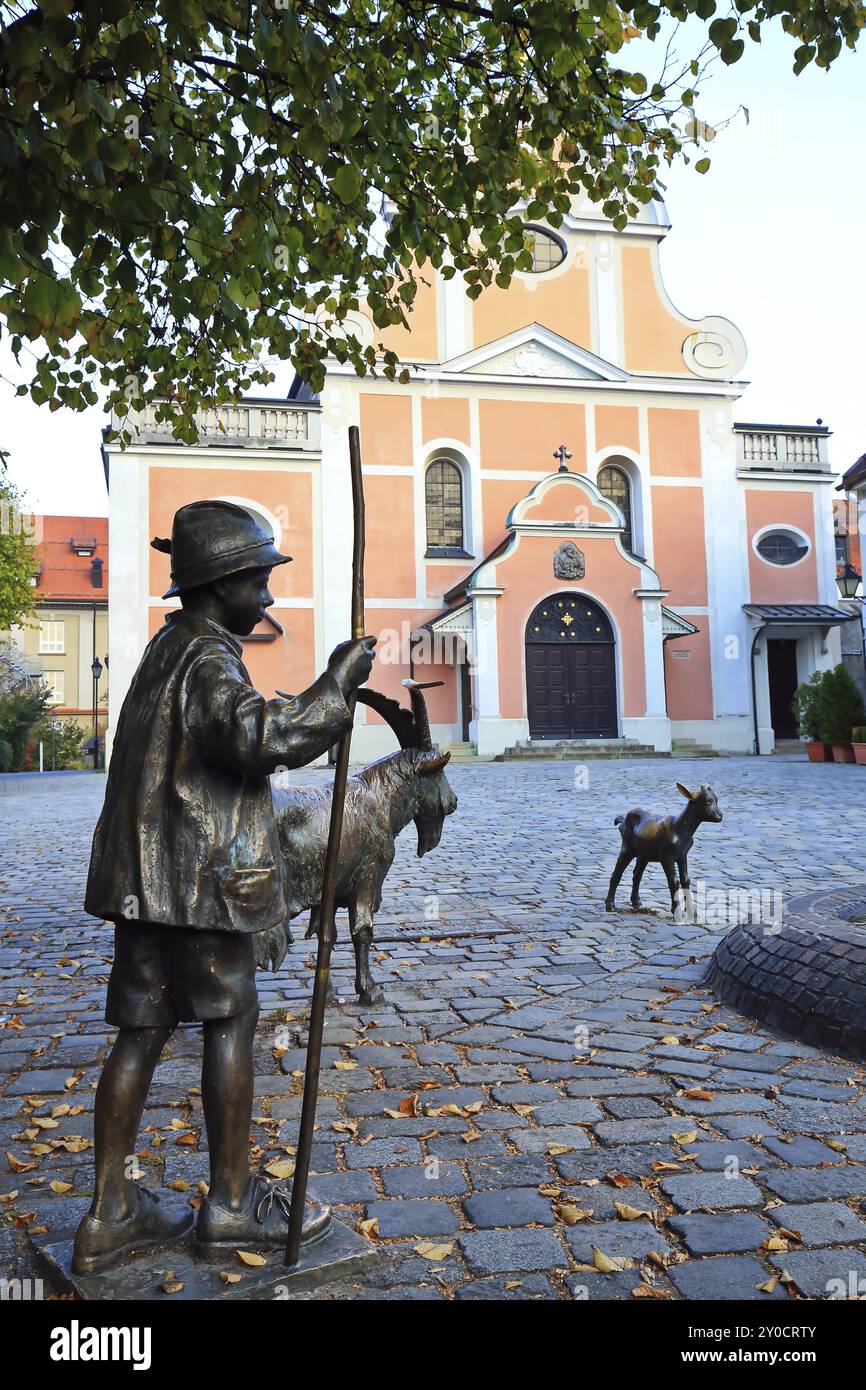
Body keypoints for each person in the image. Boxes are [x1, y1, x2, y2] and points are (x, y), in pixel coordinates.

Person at [72, 500, 376, 1274]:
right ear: (223, 583)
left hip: (146, 887)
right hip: (199, 886)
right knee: (229, 1021)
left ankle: (110, 1214)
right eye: (260, 583)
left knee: (141, 1030)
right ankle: (233, 1205)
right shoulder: (208, 657)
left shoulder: (165, 649)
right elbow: (255, 738)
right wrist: (333, 690)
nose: (269, 599)